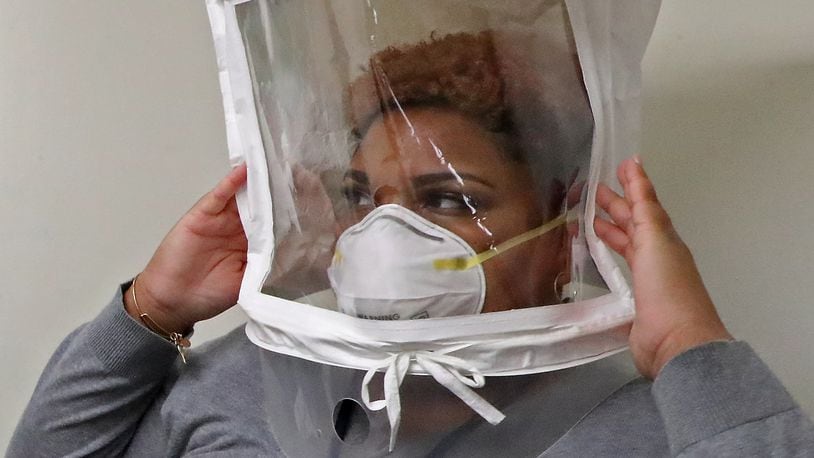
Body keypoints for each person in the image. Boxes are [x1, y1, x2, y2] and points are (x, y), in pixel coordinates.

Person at [8, 34, 814, 458]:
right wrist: (151, 313)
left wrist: (686, 345)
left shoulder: (649, 429)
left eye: (452, 201)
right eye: (363, 198)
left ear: (559, 233)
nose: (385, 237)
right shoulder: (247, 381)